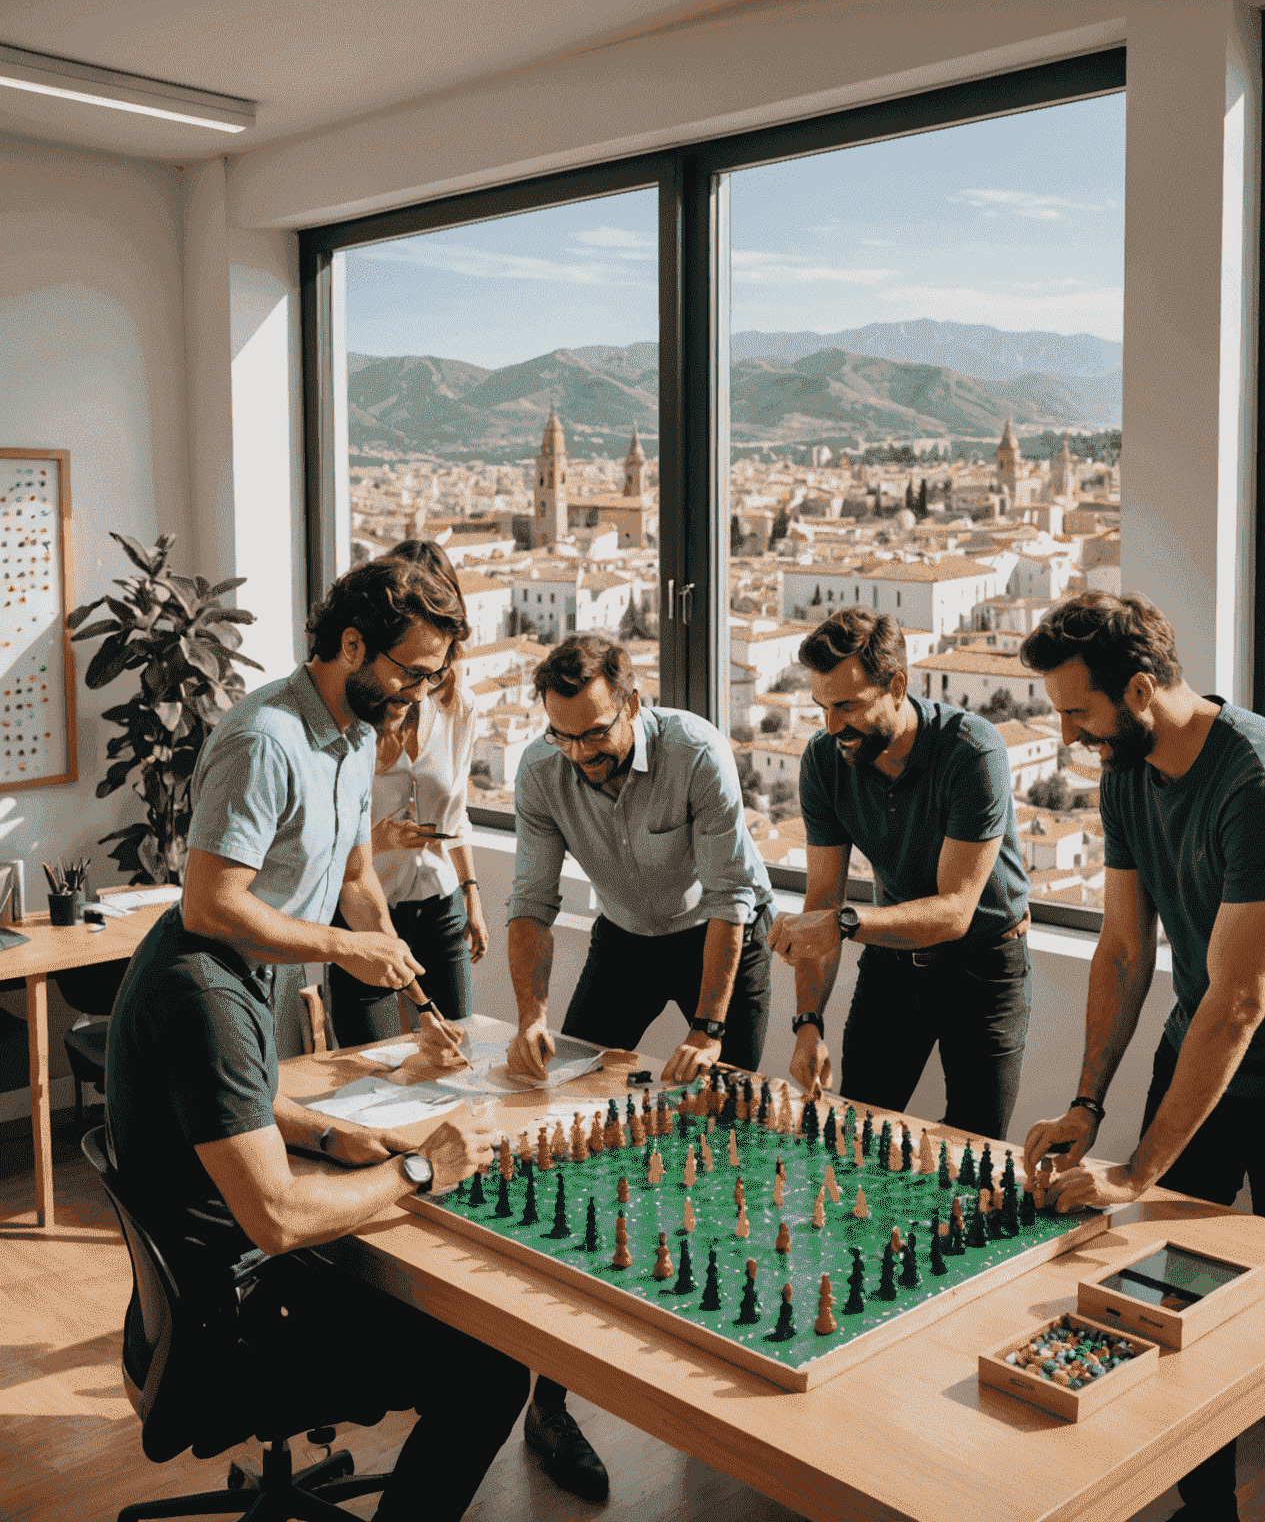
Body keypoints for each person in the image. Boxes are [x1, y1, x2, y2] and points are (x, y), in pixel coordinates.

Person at [105, 556, 551, 1522]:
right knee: (490, 1365)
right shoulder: (263, 744)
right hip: (240, 1304)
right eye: (416, 670)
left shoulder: (354, 737)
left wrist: (334, 1133)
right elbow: (214, 898)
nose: (426, 692)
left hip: (210, 1280)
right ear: (353, 644)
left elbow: (352, 876)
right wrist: (422, 1171)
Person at [1017, 591, 1265, 1522]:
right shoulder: (1126, 766)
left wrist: (1139, 1172)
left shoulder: (1262, 786)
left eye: (1078, 712)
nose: (1069, 734)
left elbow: (1239, 1002)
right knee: (1165, 1304)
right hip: (1206, 1055)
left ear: (1140, 689)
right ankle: (1203, 1512)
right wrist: (1088, 1106)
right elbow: (1125, 949)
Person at [504, 633, 773, 1498]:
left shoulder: (695, 749)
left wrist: (709, 1023)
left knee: (731, 1157)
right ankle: (549, 1407)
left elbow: (732, 895)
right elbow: (532, 904)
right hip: (622, 938)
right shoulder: (542, 770)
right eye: (564, 736)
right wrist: (532, 1015)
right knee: (573, 1150)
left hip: (720, 942)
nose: (581, 754)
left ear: (634, 702)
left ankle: (731, 1380)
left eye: (595, 734)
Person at [768, 607, 1032, 1140]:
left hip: (985, 966)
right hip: (892, 961)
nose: (832, 726)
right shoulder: (824, 760)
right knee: (855, 1134)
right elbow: (822, 897)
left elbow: (956, 911)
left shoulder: (971, 752)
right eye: (822, 706)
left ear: (897, 686)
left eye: (848, 706)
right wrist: (807, 1025)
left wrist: (841, 923)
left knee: (975, 1149)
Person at [328, 539, 489, 1046]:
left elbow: (455, 811)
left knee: (453, 1055)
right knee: (369, 1064)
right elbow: (328, 854)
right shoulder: (358, 709)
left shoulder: (457, 707)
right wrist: (379, 840)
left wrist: (471, 894)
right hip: (364, 913)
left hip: (440, 906)